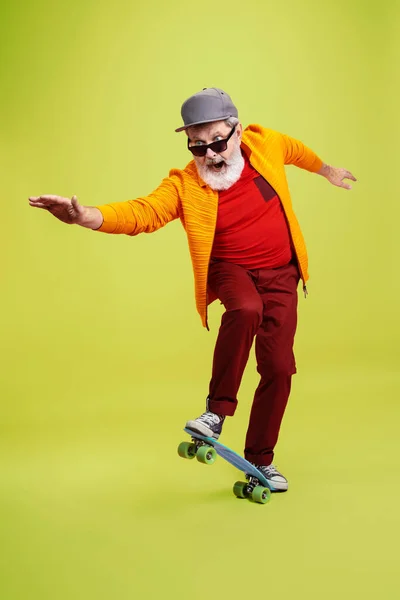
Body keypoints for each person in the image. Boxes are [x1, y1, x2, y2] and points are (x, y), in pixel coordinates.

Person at [29, 87, 356, 492]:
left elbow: (297, 151)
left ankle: (260, 461)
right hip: (229, 270)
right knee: (245, 309)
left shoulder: (265, 143)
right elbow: (143, 212)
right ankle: (216, 413)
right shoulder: (185, 184)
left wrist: (327, 171)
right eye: (198, 146)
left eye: (217, 141)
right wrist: (85, 216)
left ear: (237, 132)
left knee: (279, 368)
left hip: (282, 275)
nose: (211, 154)